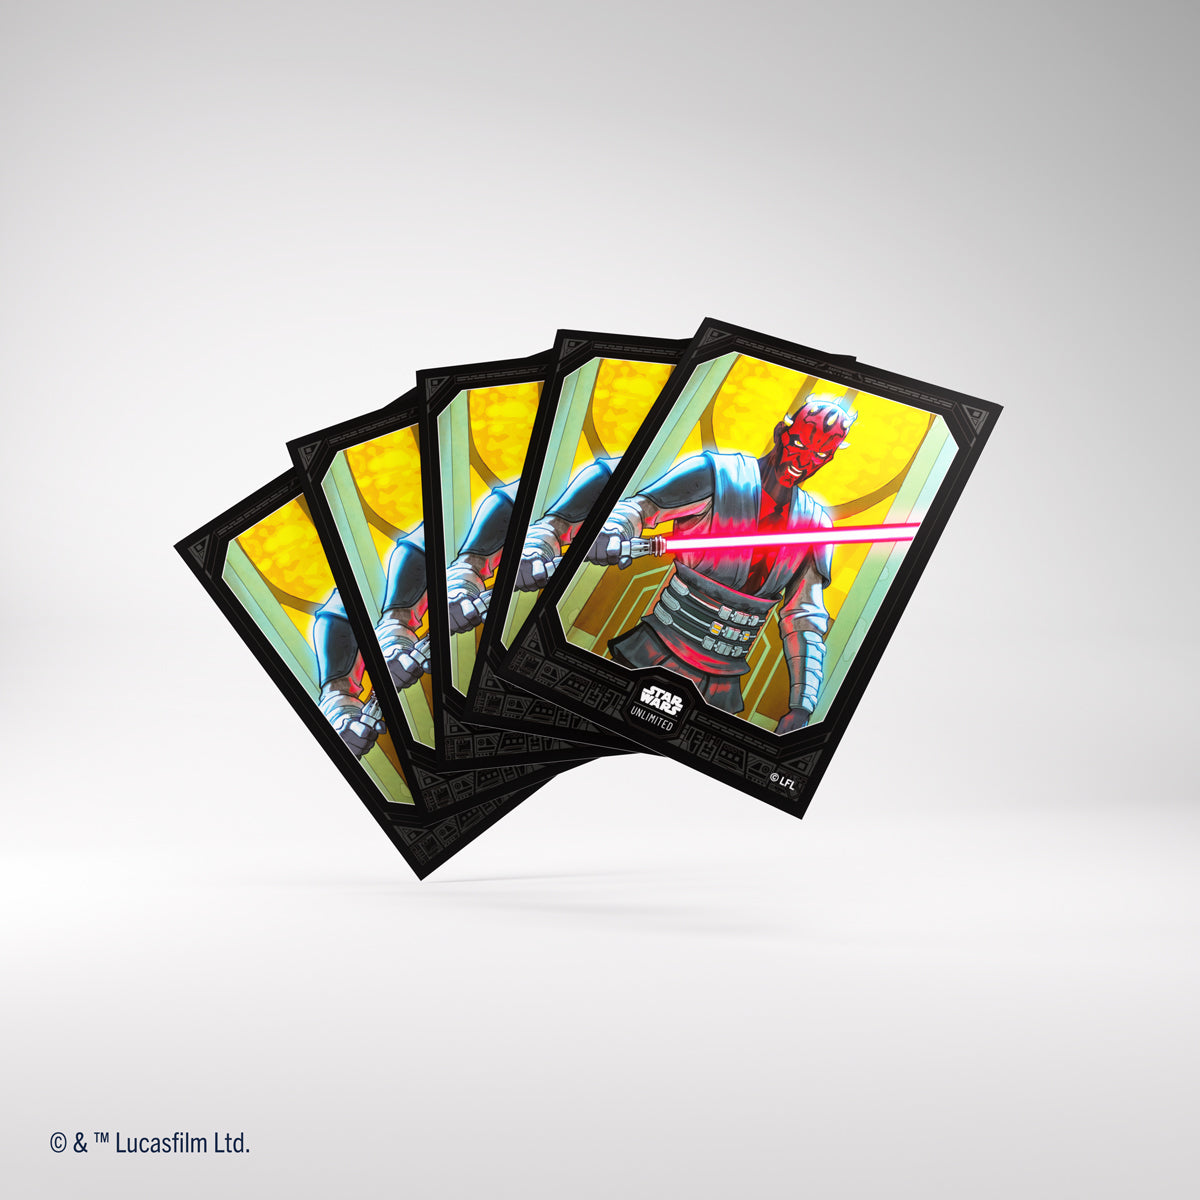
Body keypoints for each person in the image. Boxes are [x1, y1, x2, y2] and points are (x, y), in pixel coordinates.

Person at [567, 397, 854, 733]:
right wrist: (614, 530)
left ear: (830, 458)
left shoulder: (815, 525)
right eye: (799, 445)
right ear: (781, 433)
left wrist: (802, 705)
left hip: (723, 681)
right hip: (657, 648)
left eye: (819, 455)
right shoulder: (715, 473)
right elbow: (642, 509)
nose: (803, 462)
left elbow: (804, 617)